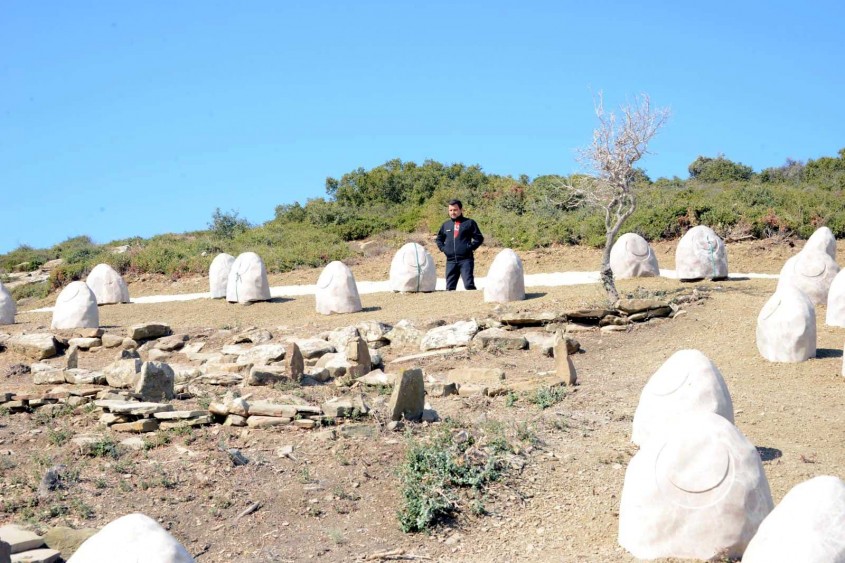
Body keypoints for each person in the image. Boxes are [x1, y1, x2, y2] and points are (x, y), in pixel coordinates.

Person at [435, 199, 484, 290]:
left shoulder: (469, 223)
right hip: (451, 261)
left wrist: (469, 248)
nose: (453, 212)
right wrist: (444, 249)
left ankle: (472, 303)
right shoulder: (446, 225)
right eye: (451, 210)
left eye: (455, 210)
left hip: (465, 260)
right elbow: (439, 239)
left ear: (461, 210)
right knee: (450, 288)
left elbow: (479, 238)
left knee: (469, 286)